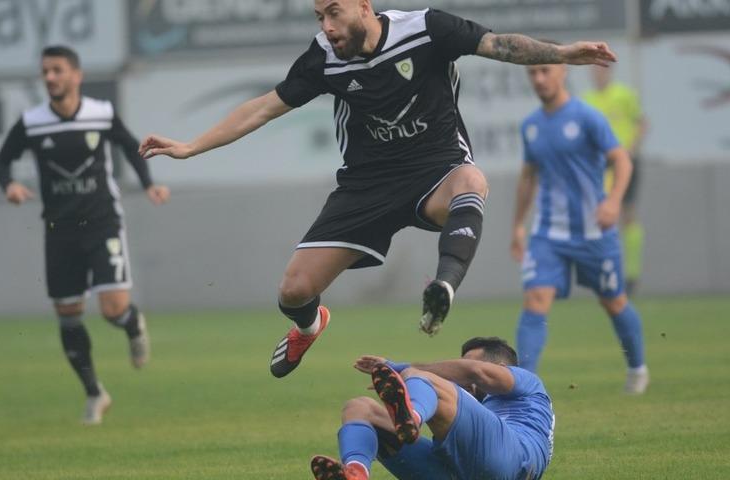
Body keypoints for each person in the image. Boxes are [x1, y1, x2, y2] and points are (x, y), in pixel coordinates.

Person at [138, 0, 619, 378]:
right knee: (293, 290)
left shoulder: (426, 29)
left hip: (435, 170)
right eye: (319, 15)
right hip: (366, 185)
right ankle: (310, 325)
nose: (326, 26)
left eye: (334, 12)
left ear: (364, 6)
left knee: (472, 181)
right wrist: (190, 147)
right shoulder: (323, 58)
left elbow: (499, 45)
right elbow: (263, 107)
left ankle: (443, 287)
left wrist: (560, 53)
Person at [0, 46, 171, 425]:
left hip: (102, 221)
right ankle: (95, 393)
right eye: (45, 71)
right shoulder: (33, 121)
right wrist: (7, 184)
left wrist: (149, 184)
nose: (51, 77)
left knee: (111, 310)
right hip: (59, 230)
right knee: (68, 316)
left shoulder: (100, 114)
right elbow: (2, 159)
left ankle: (132, 323)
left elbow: (130, 146)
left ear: (76, 75)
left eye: (57, 70)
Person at [511, 59, 649, 394]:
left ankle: (637, 369)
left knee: (613, 302)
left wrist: (614, 201)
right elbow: (528, 177)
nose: (539, 78)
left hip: (593, 232)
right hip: (548, 233)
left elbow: (622, 160)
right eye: (533, 72)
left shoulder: (587, 117)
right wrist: (517, 225)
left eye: (545, 70)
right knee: (536, 300)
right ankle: (524, 387)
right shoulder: (530, 125)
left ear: (563, 72)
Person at [309, 337, 554, 480]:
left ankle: (411, 418)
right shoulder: (484, 415)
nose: (465, 375)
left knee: (422, 377)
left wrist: (400, 368)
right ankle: (356, 472)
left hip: (512, 462)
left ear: (502, 367)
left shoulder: (527, 381)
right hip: (464, 471)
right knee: (359, 408)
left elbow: (474, 371)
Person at [583, 65, 647, 295]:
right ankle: (607, 273)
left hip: (625, 161)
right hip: (600, 165)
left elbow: (642, 123)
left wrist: (630, 148)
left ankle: (631, 275)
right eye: (594, 71)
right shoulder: (586, 100)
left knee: (628, 214)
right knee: (601, 217)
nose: (598, 74)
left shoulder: (624, 95)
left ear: (609, 72)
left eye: (601, 70)